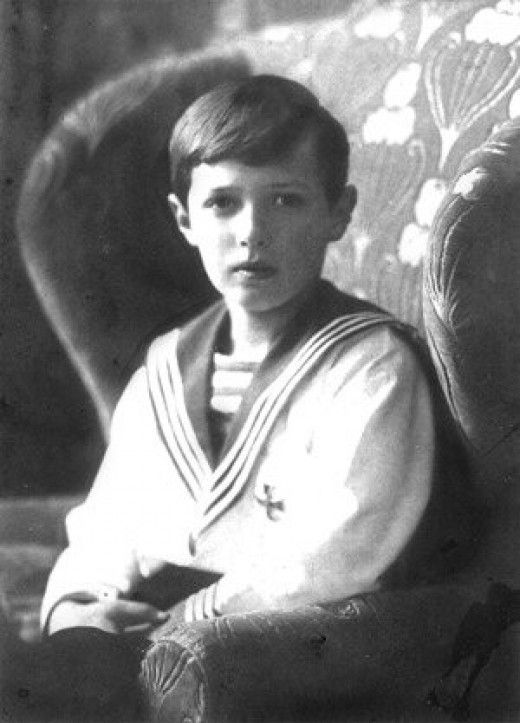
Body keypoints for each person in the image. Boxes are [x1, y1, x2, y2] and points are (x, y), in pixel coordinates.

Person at [40, 74, 469, 640]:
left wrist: (190, 621)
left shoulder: (370, 365)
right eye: (222, 203)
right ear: (184, 220)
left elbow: (344, 546)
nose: (251, 233)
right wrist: (78, 606)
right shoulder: (166, 368)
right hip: (149, 627)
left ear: (337, 213)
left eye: (285, 201)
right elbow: (108, 522)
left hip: (273, 641)